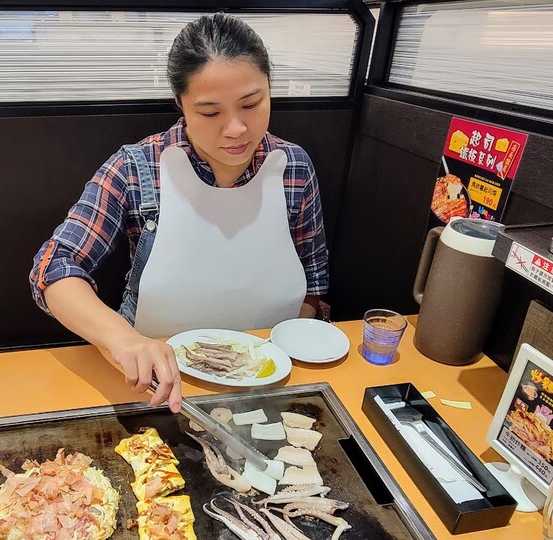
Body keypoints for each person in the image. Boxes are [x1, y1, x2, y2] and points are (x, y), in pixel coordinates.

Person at [30, 13, 329, 414]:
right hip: (158, 384)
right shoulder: (138, 167)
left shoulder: (293, 165)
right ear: (180, 104)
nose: (236, 128)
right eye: (210, 112)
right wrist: (123, 340)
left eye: (252, 103)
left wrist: (284, 353)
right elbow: (53, 267)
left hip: (268, 378)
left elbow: (314, 277)